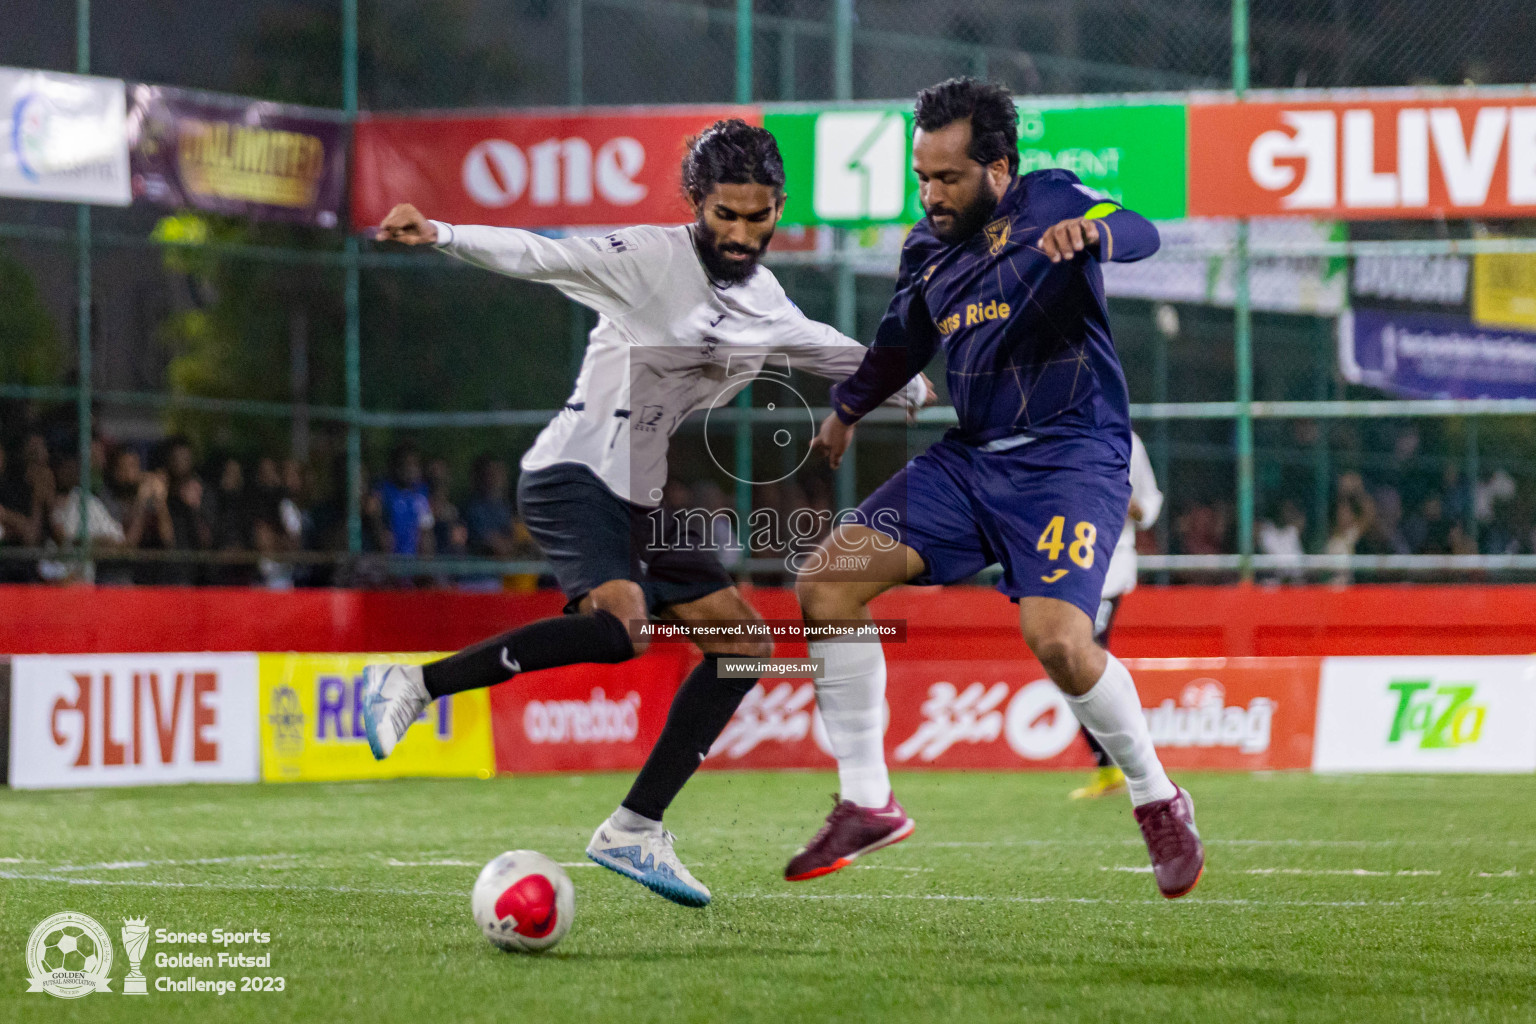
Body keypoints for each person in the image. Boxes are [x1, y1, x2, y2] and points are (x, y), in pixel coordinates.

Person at [359, 119, 932, 908]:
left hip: (640, 493)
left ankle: (634, 827)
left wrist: (906, 386)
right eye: (724, 214)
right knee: (621, 629)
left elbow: (830, 348)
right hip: (573, 473)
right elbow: (542, 253)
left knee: (744, 646)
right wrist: (444, 233)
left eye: (756, 216)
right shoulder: (647, 258)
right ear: (697, 202)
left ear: (778, 208)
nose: (739, 232)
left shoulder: (766, 301)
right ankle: (416, 686)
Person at [791, 78, 1203, 899]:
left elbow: (1141, 230)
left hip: (1071, 458)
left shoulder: (1053, 201)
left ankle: (1157, 798)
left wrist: (1095, 235)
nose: (931, 194)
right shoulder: (925, 250)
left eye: (947, 178)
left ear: (1000, 169)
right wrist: (845, 412)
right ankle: (868, 802)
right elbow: (899, 344)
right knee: (825, 585)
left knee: (1056, 638)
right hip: (973, 462)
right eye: (922, 177)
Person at [1069, 430, 1161, 800]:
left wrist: (1133, 507)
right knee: (1066, 661)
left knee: (1086, 650)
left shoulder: (1126, 440)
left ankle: (1133, 761)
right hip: (1068, 566)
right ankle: (1107, 766)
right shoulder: (1052, 433)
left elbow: (1148, 502)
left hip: (1110, 566)